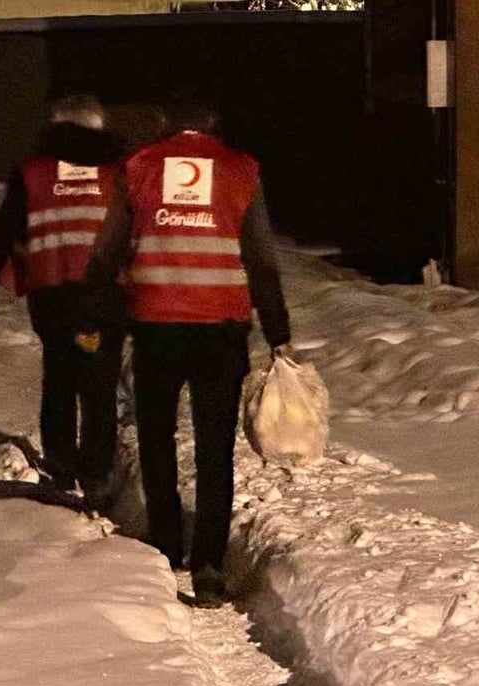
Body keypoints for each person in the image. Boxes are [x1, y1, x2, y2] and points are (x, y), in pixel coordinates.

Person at [83, 99, 292, 608]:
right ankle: (210, 565)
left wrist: (93, 317)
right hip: (221, 329)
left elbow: (108, 251)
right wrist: (278, 331)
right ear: (213, 123)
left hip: (155, 326)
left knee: (156, 434)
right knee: (215, 446)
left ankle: (166, 539)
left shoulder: (139, 167)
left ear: (162, 121)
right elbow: (261, 259)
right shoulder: (242, 170)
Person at [0, 94, 127, 512]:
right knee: (99, 387)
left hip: (52, 293)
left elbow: (4, 231)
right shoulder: (119, 174)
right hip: (107, 295)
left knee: (59, 378)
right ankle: (97, 475)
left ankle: (61, 465)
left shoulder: (33, 173)